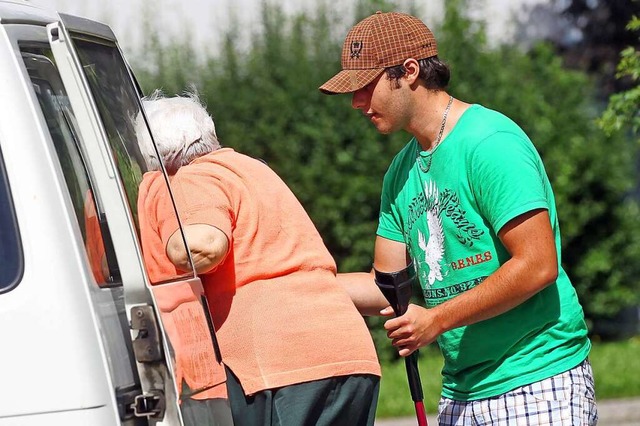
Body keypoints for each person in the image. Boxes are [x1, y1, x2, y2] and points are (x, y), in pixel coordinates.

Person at [319, 11, 597, 426]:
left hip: (538, 378)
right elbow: (386, 288)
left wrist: (436, 319)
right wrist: (298, 285)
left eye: (365, 86)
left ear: (409, 71)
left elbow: (538, 264)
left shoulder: (489, 142)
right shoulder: (400, 172)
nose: (357, 102)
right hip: (462, 392)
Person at [136, 92, 381, 426]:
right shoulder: (253, 170)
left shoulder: (191, 178)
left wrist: (160, 239)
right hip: (350, 356)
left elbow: (204, 246)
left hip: (282, 366)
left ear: (159, 155)